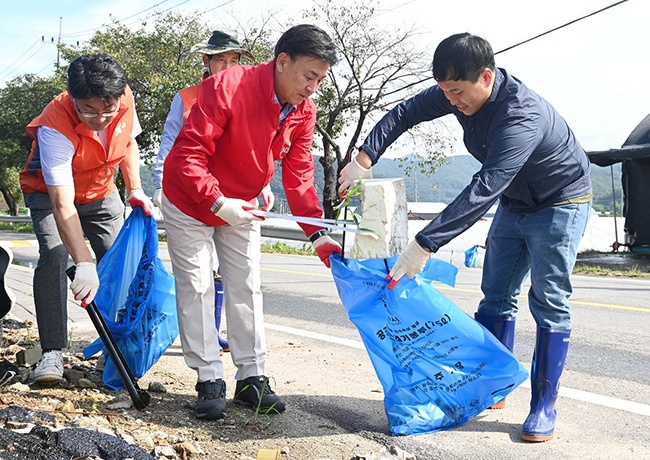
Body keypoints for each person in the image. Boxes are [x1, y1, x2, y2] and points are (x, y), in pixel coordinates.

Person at [338, 33, 592, 442]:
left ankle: (544, 404)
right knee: (495, 294)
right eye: (445, 92)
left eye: (457, 93)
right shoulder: (457, 90)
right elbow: (405, 112)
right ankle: (494, 383)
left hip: (559, 202)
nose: (452, 102)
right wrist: (364, 158)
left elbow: (485, 185)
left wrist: (425, 243)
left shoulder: (520, 115)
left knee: (548, 299)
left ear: (486, 77)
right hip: (515, 201)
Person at [161, 24, 342, 420]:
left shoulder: (303, 110)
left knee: (247, 285)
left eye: (321, 80)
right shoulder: (228, 86)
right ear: (282, 62)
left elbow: (298, 175)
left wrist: (317, 233)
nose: (313, 87)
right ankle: (209, 378)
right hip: (189, 199)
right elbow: (186, 156)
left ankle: (252, 379)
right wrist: (215, 200)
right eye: (309, 76)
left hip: (243, 203)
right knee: (196, 284)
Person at [20, 53, 153, 383]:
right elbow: (62, 204)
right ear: (72, 99)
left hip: (101, 190)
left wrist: (134, 188)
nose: (100, 118)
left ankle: (113, 351)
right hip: (51, 193)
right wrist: (84, 262)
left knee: (120, 262)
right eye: (88, 110)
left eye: (107, 110)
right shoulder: (55, 124)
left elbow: (128, 141)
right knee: (55, 253)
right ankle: (52, 352)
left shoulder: (124, 97)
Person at [152, 30, 268, 354]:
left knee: (240, 280)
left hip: (235, 199)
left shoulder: (249, 99)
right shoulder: (188, 98)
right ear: (207, 61)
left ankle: (234, 351)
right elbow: (171, 144)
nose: (228, 67)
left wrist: (264, 183)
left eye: (234, 61)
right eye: (222, 60)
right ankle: (206, 368)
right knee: (197, 279)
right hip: (191, 197)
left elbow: (254, 149)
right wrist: (161, 185)